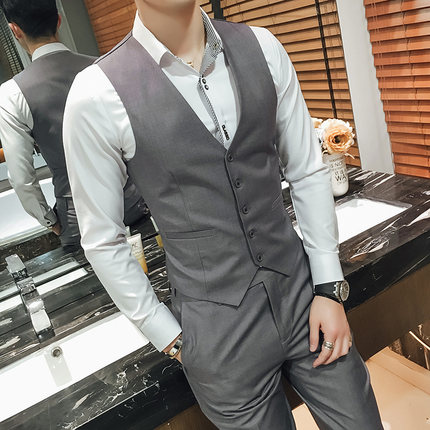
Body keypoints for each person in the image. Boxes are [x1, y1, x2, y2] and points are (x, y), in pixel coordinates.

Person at [63, 1, 384, 428]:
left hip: (305, 298)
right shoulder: (96, 94)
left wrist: (328, 286)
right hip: (216, 334)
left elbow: (306, 170)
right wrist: (172, 339)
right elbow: (102, 239)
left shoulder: (263, 47)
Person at [0, 0, 147, 252]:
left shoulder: (11, 94)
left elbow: (22, 179)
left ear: (15, 30)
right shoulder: (104, 67)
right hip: (133, 204)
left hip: (79, 221)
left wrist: (52, 222)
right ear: (59, 20)